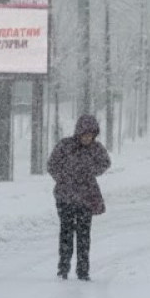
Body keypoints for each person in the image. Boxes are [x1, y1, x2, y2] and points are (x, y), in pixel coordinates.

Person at [48, 114, 110, 281]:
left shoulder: (96, 149)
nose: (87, 138)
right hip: (65, 197)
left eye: (91, 135)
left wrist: (91, 171)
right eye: (85, 134)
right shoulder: (65, 146)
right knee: (66, 233)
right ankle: (63, 268)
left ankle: (83, 270)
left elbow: (105, 163)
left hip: (86, 197)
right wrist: (64, 177)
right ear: (79, 133)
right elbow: (52, 164)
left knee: (84, 235)